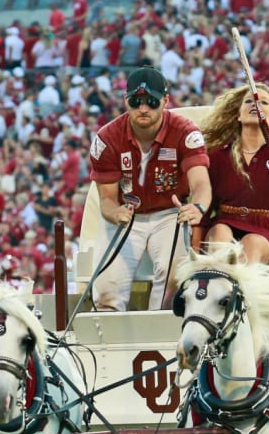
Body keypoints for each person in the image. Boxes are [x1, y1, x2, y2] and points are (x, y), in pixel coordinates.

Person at [88, 66, 211, 311]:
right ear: (126, 101)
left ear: (165, 101)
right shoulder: (106, 138)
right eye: (136, 101)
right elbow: (107, 200)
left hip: (170, 213)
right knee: (106, 288)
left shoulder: (185, 132)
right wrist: (116, 213)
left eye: (151, 102)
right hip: (126, 217)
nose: (143, 109)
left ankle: (164, 330)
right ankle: (107, 341)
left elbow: (200, 183)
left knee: (173, 279)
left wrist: (197, 206)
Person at [199, 83, 269, 265]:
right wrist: (195, 249)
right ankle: (215, 283)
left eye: (264, 103)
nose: (255, 105)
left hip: (268, 229)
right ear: (238, 115)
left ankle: (239, 292)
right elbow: (204, 207)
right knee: (220, 232)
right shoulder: (218, 155)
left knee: (252, 243)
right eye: (248, 101)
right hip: (226, 222)